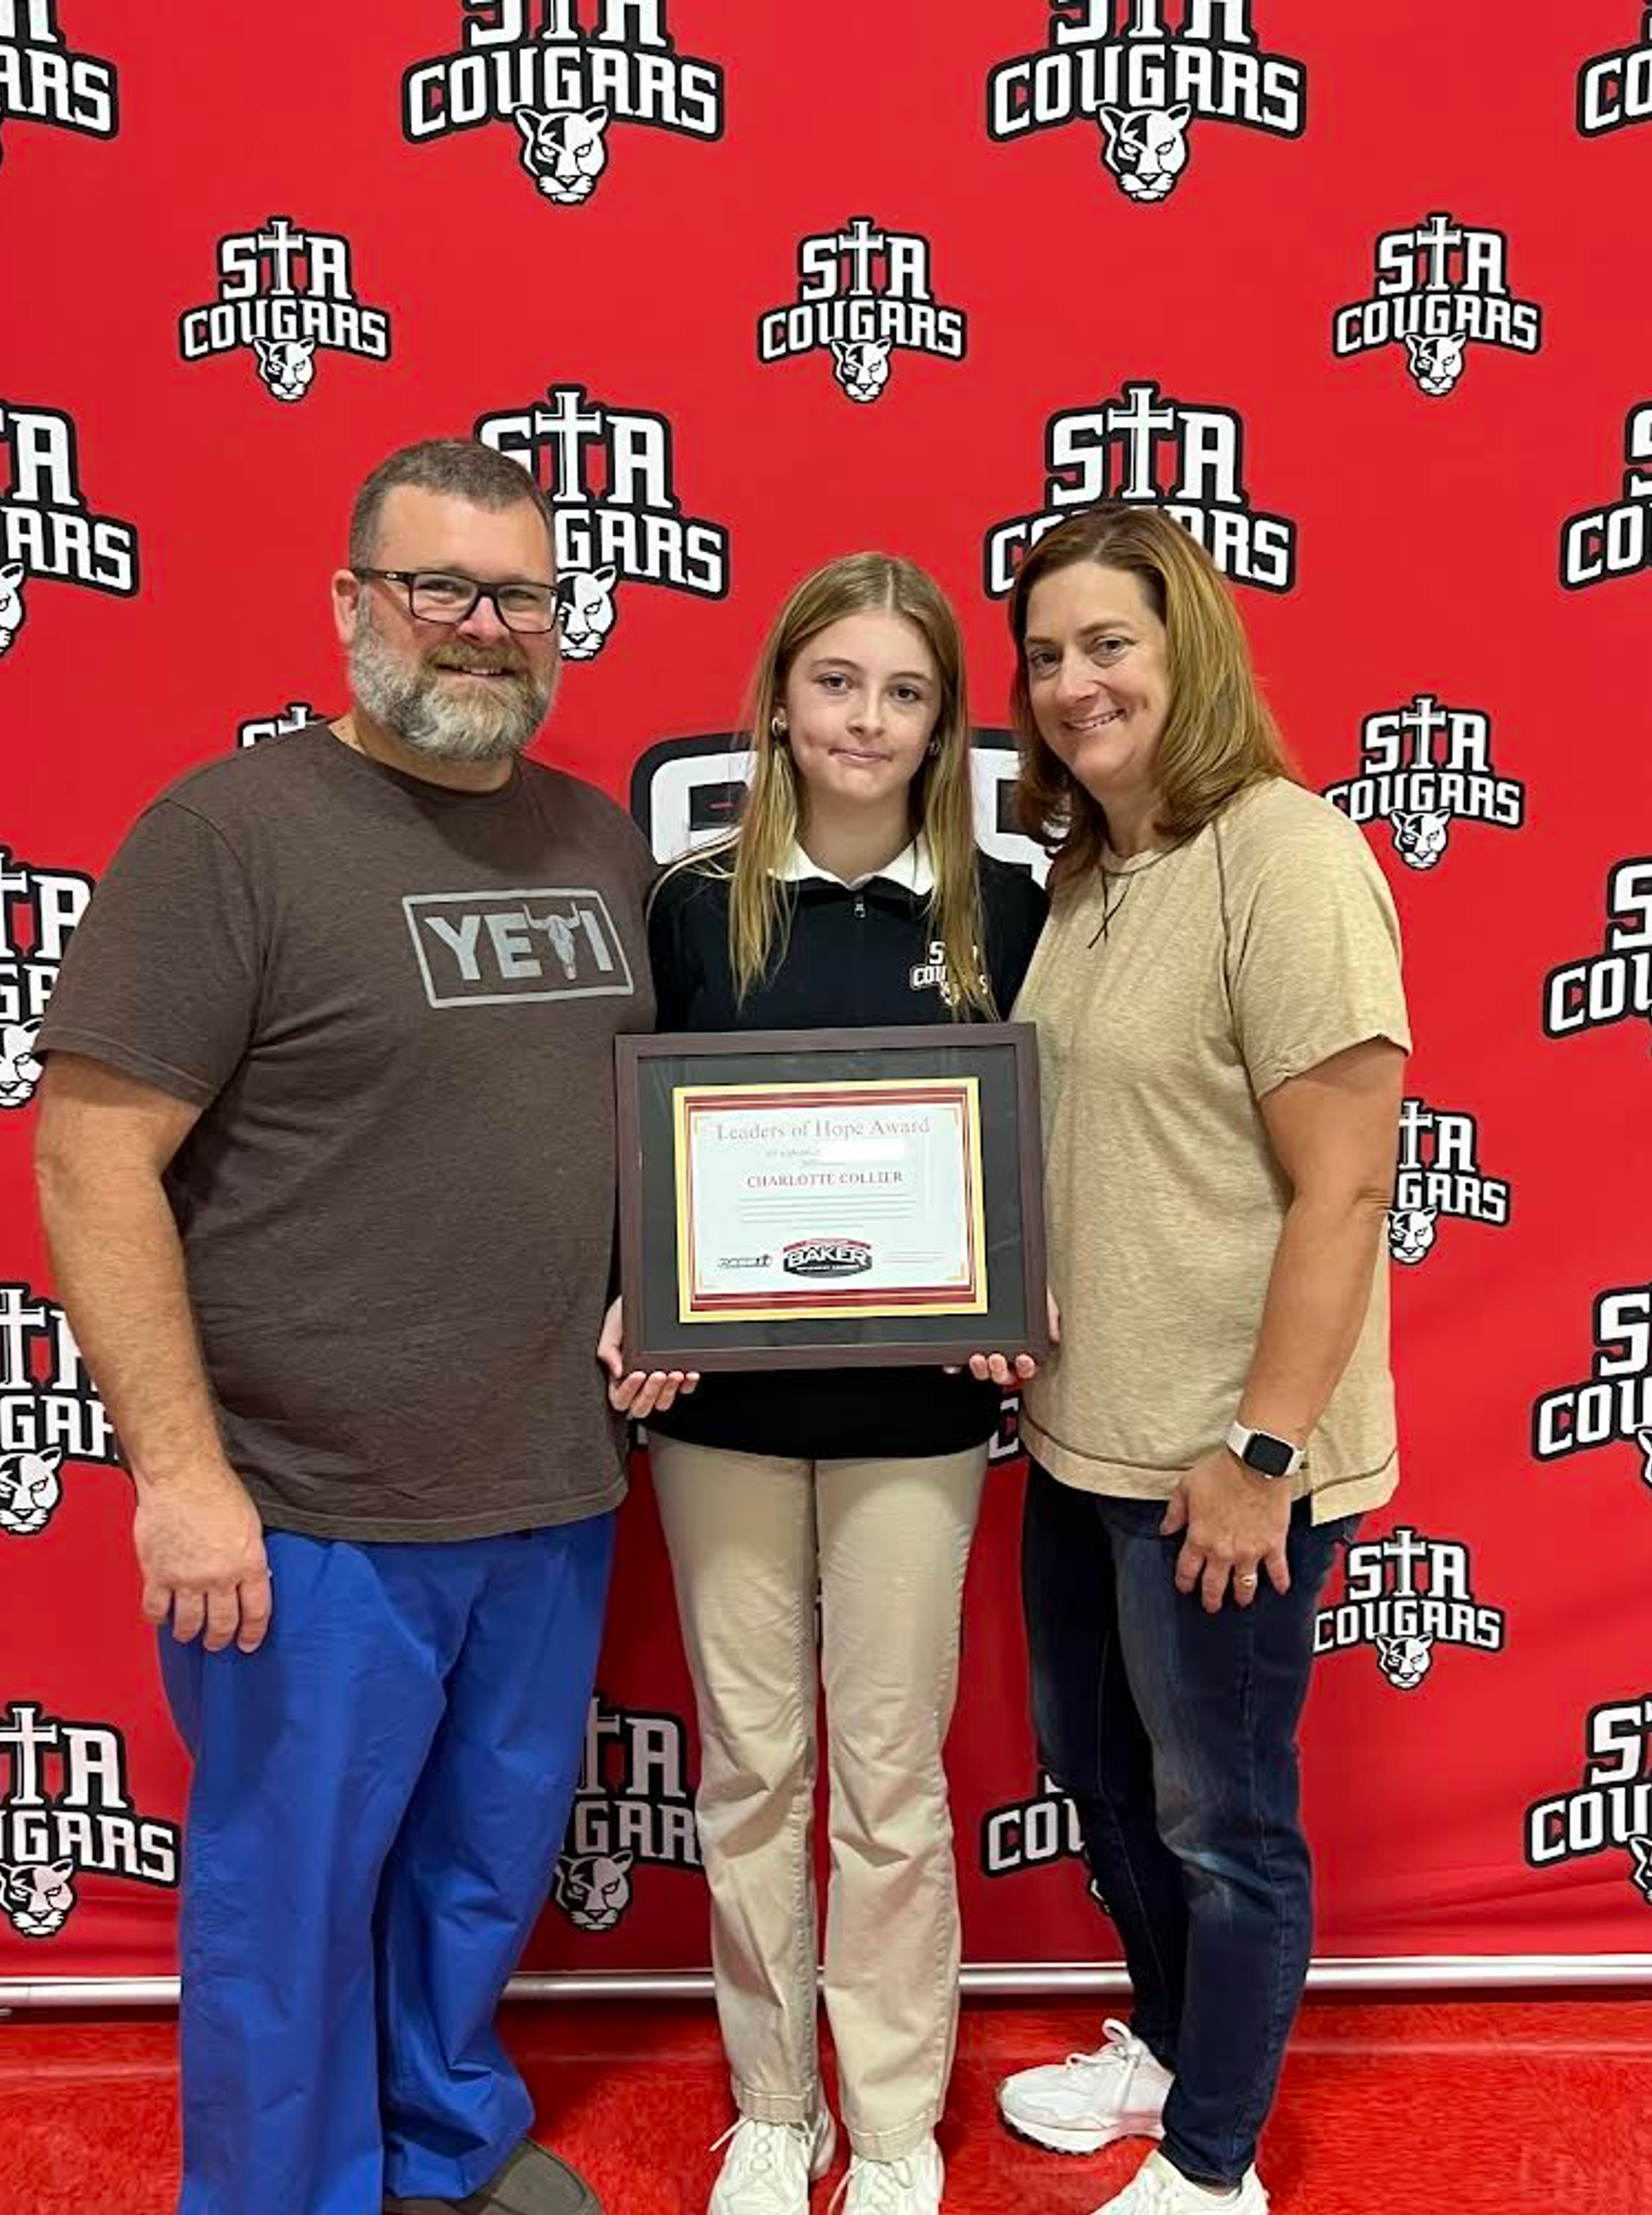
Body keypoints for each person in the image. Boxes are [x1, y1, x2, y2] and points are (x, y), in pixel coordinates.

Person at [32, 438, 686, 2215]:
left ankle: (440, 2145)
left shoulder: (594, 840)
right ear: (352, 605)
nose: (483, 629)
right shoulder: (229, 839)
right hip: (308, 1506)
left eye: (522, 596)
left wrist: (662, 1290)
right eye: (441, 588)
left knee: (481, 1872)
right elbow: (91, 1157)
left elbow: (618, 1130)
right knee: (293, 1895)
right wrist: (181, 1471)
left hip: (548, 1486)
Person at [989, 506, 1409, 2215]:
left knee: (1228, 1821)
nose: (1077, 682)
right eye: (1048, 654)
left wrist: (1262, 1448)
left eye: (1112, 643)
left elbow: (1349, 1181)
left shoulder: (1285, 852)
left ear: (1191, 654)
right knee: (1105, 1778)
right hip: (1083, 1444)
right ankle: (1167, 2044)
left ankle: (1215, 2158)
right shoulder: (1094, 870)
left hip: (1222, 1464)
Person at [629, 553, 1046, 2215]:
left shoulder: (1001, 908)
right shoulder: (693, 902)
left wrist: (1026, 1289)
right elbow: (641, 1162)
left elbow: (1037, 1152)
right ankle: (775, 2106)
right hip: (718, 1418)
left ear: (945, 722)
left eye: (906, 691)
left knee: (887, 1772)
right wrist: (640, 1297)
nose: (866, 720)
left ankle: (888, 2126)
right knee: (750, 1771)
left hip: (921, 1420)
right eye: (837, 684)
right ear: (782, 703)